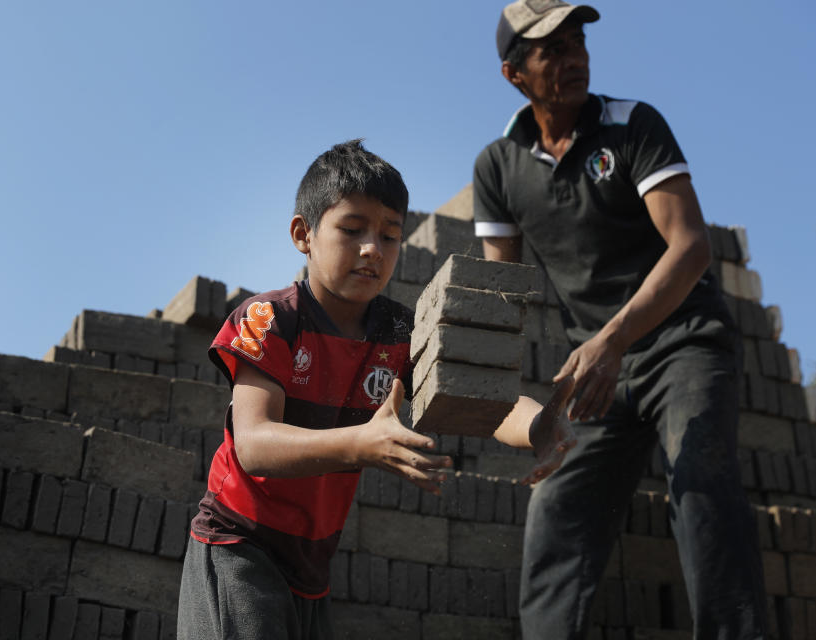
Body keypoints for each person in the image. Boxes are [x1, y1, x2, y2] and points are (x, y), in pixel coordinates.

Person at [473, 2, 768, 638]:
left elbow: (690, 247)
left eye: (578, 42)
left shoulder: (632, 125)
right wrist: (490, 392)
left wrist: (612, 338)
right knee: (556, 513)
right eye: (552, 50)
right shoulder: (498, 167)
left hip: (682, 344)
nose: (574, 57)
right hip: (598, 373)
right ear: (514, 74)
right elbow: (504, 294)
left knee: (700, 484)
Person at [177, 140, 455, 640]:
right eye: (352, 230)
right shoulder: (271, 319)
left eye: (391, 236)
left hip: (312, 567)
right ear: (303, 234)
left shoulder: (400, 335)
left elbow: (478, 397)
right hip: (240, 546)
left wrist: (539, 425)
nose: (373, 248)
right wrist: (360, 444)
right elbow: (255, 444)